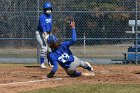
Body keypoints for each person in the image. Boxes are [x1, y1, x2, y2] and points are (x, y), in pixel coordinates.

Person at [35, 2, 53, 68]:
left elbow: (50, 25)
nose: (49, 10)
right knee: (44, 47)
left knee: (50, 49)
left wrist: (50, 33)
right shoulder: (42, 17)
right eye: (47, 9)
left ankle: (50, 62)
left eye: (50, 9)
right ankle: (42, 63)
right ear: (44, 10)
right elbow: (42, 25)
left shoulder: (50, 16)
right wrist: (45, 33)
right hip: (39, 33)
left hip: (47, 33)